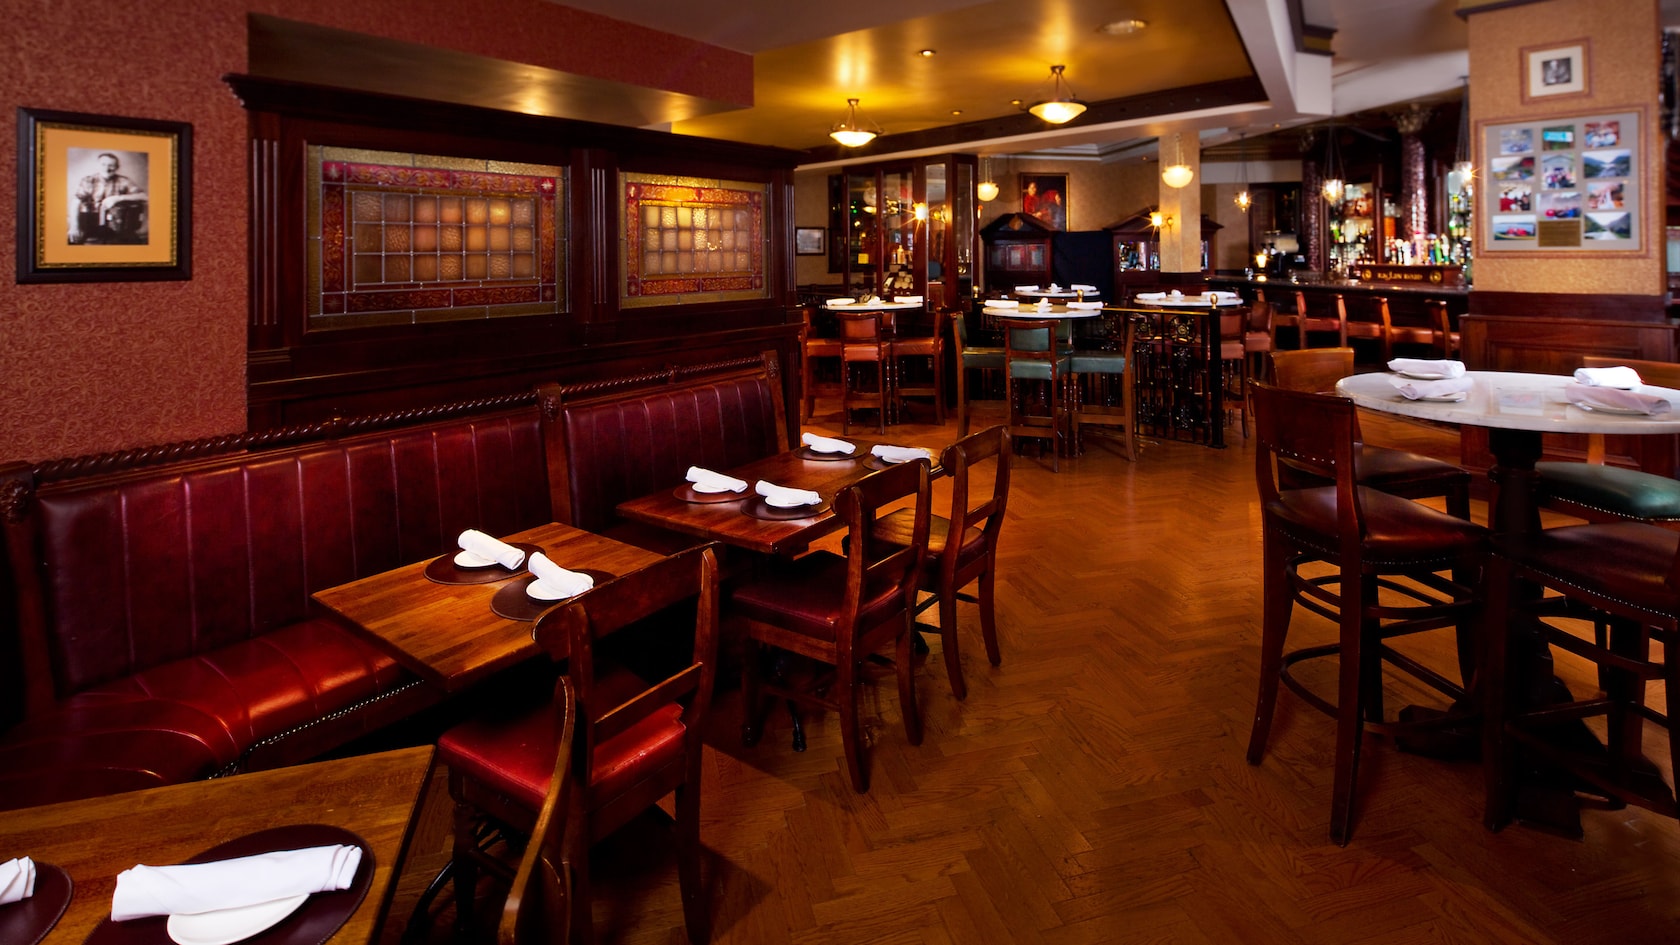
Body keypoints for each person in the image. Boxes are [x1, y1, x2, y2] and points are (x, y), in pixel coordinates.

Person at [70, 152, 147, 245]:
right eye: (103, 164)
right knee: (72, 241)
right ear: (98, 165)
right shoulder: (88, 180)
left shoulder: (124, 181)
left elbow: (144, 197)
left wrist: (117, 198)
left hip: (117, 223)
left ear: (117, 167)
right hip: (90, 220)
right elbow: (75, 202)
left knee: (137, 244)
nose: (107, 169)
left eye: (111, 165)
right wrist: (74, 227)